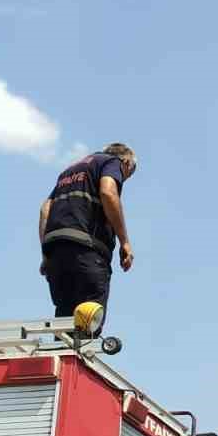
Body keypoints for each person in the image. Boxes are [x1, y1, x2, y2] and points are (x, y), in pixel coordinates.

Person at [38, 143, 137, 336]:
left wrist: (45, 254)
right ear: (125, 162)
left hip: (56, 252)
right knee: (88, 318)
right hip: (87, 250)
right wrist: (124, 241)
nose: (123, 178)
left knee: (65, 323)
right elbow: (108, 192)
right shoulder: (111, 162)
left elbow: (45, 210)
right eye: (127, 174)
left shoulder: (68, 172)